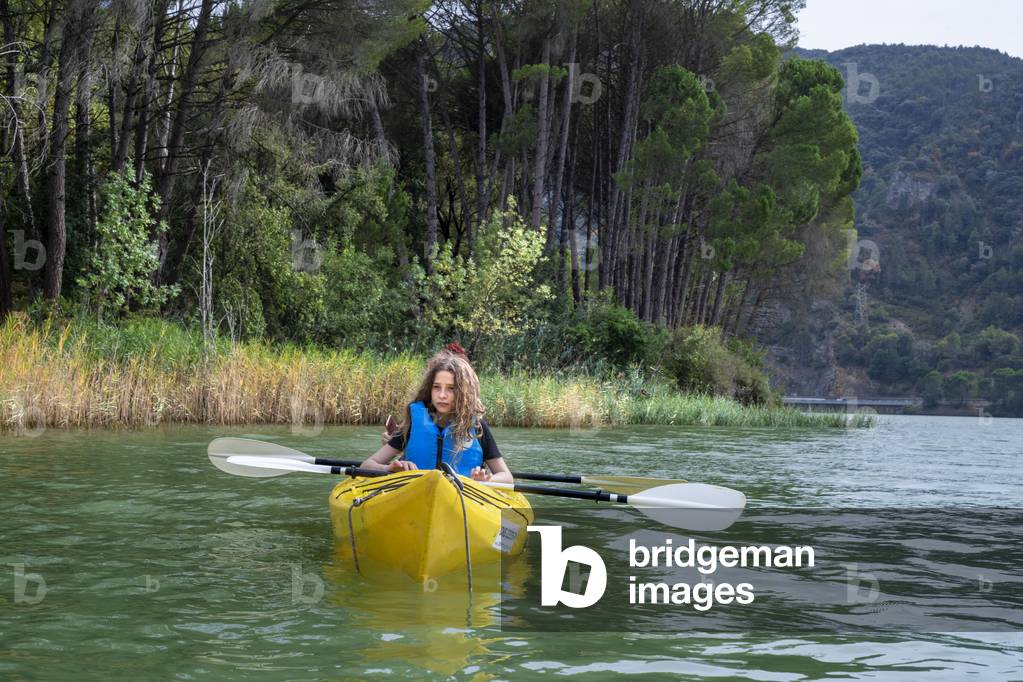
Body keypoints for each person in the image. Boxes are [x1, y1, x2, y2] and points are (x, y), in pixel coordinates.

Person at [360, 345, 513, 483]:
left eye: (451, 388)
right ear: (429, 390)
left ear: (464, 392)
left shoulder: (478, 428)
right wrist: (389, 469)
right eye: (437, 387)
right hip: (416, 496)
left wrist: (488, 479)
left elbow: (506, 477)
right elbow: (366, 465)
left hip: (464, 500)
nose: (442, 395)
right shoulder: (413, 425)